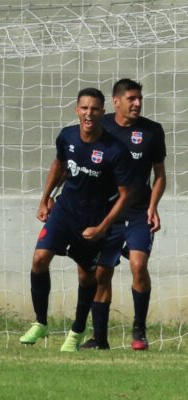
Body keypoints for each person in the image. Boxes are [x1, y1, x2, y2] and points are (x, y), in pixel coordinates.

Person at [19, 88, 133, 346]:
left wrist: (103, 228)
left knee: (86, 276)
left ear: (103, 113)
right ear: (77, 110)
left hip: (93, 219)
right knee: (39, 259)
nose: (88, 113)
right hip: (64, 211)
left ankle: (77, 330)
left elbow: (125, 195)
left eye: (94, 109)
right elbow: (59, 165)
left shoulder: (115, 150)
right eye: (84, 108)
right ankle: (40, 323)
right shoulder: (67, 136)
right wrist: (45, 198)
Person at [61, 79, 166, 351]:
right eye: (131, 98)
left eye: (139, 98)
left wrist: (153, 206)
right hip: (106, 213)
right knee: (100, 273)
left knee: (138, 266)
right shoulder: (100, 125)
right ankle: (100, 338)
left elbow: (160, 176)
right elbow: (74, 161)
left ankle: (139, 332)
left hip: (139, 212)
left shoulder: (152, 131)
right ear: (116, 102)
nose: (138, 103)